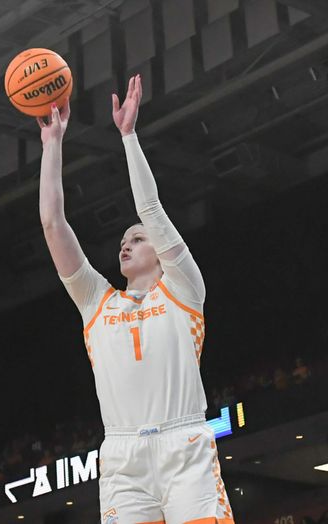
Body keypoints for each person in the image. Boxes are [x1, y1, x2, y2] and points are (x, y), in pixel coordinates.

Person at [38, 75, 233, 523]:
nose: (126, 244)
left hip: (183, 445)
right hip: (122, 457)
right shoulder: (96, 302)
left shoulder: (184, 288)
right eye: (123, 240)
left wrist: (128, 136)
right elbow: (52, 223)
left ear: (162, 255)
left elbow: (152, 210)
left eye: (138, 239)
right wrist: (53, 143)